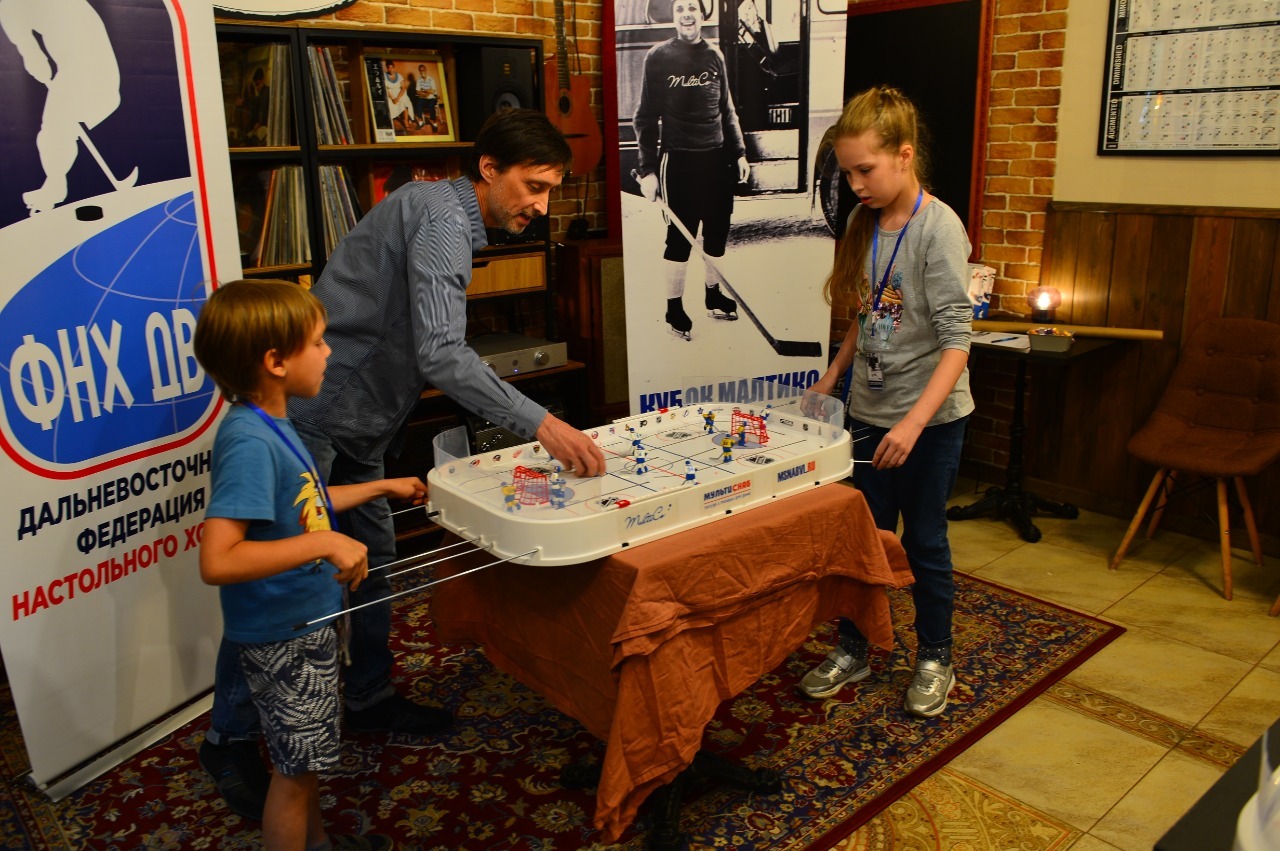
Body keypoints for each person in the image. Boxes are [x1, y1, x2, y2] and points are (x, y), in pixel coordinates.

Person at [199, 107, 606, 819]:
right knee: (285, 582)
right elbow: (442, 352)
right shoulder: (444, 220)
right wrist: (543, 422)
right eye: (533, 186)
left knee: (377, 554)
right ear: (488, 169)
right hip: (323, 416)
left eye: (551, 191)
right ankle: (229, 736)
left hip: (362, 420)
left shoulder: (436, 209)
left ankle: (369, 696)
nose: (541, 206)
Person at [193, 279, 428, 851]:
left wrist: (381, 486)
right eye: (319, 343)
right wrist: (326, 546)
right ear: (275, 361)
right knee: (294, 777)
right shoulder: (249, 440)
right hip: (284, 637)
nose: (329, 353)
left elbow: (306, 502)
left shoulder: (277, 423)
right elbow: (218, 559)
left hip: (308, 625)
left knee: (307, 760)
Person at [797, 86, 973, 718]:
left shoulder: (940, 228)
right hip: (869, 413)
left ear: (904, 156)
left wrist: (914, 423)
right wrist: (832, 378)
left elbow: (958, 343)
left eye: (864, 169)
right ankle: (855, 646)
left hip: (929, 423)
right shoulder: (861, 222)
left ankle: (935, 656)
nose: (855, 183)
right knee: (863, 540)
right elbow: (865, 314)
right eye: (846, 171)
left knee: (924, 541)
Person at [633, 0, 749, 342]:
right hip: (678, 161)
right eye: (680, 7)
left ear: (702, 15)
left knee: (716, 232)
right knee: (680, 237)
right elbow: (644, 118)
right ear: (674, 15)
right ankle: (674, 307)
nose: (686, 14)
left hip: (716, 158)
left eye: (693, 8)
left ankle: (712, 294)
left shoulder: (715, 56)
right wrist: (648, 170)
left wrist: (739, 152)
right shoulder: (658, 57)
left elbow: (727, 109)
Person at [384, 60, 415, 133]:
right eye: (389, 68)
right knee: (388, 103)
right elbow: (385, 89)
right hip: (390, 94)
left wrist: (397, 98)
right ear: (387, 68)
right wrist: (392, 98)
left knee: (404, 102)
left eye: (392, 68)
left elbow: (403, 88)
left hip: (400, 93)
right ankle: (390, 122)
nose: (390, 69)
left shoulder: (399, 75)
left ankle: (406, 121)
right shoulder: (384, 76)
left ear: (394, 68)